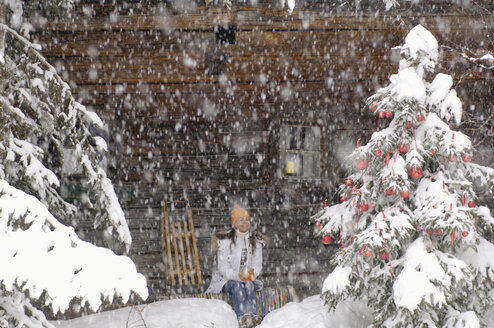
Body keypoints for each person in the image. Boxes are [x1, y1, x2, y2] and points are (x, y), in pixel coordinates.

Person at [206, 204, 268, 328]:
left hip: (247, 278)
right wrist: (238, 275)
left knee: (249, 284)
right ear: (235, 223)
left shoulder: (255, 241)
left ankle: (252, 316)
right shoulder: (225, 241)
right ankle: (241, 317)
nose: (245, 222)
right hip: (226, 281)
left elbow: (257, 264)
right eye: (241, 220)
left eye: (246, 219)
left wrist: (251, 274)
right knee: (237, 284)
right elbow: (223, 269)